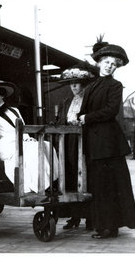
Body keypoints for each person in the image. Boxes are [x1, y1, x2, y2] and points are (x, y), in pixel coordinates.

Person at [78, 37, 135, 239]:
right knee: (99, 185)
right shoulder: (92, 85)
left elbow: (111, 111)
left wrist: (86, 117)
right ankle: (103, 225)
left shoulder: (115, 85)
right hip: (95, 143)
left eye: (114, 65)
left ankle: (109, 227)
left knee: (109, 186)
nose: (110, 66)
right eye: (107, 63)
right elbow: (85, 110)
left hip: (108, 144)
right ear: (99, 62)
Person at [0, 80, 58, 193]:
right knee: (33, 150)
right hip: (7, 144)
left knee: (46, 145)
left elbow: (22, 127)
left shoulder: (15, 110)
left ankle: (47, 182)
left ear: (2, 95)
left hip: (22, 139)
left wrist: (27, 138)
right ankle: (40, 186)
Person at [55, 62, 97, 230]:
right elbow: (61, 121)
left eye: (77, 83)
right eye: (71, 83)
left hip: (85, 142)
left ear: (83, 84)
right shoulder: (67, 102)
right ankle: (74, 217)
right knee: (70, 177)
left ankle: (91, 218)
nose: (73, 86)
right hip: (69, 142)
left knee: (86, 177)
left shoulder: (89, 101)